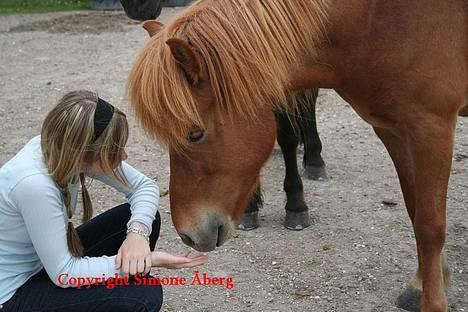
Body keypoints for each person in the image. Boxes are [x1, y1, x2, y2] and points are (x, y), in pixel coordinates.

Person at [0, 90, 208, 312]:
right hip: (14, 294)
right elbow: (65, 273)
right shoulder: (35, 186)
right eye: (115, 151)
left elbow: (144, 186)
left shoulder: (61, 149)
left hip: (43, 265)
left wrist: (137, 234)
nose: (124, 156)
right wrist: (150, 259)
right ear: (86, 153)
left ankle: (114, 294)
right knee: (143, 296)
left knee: (142, 219)